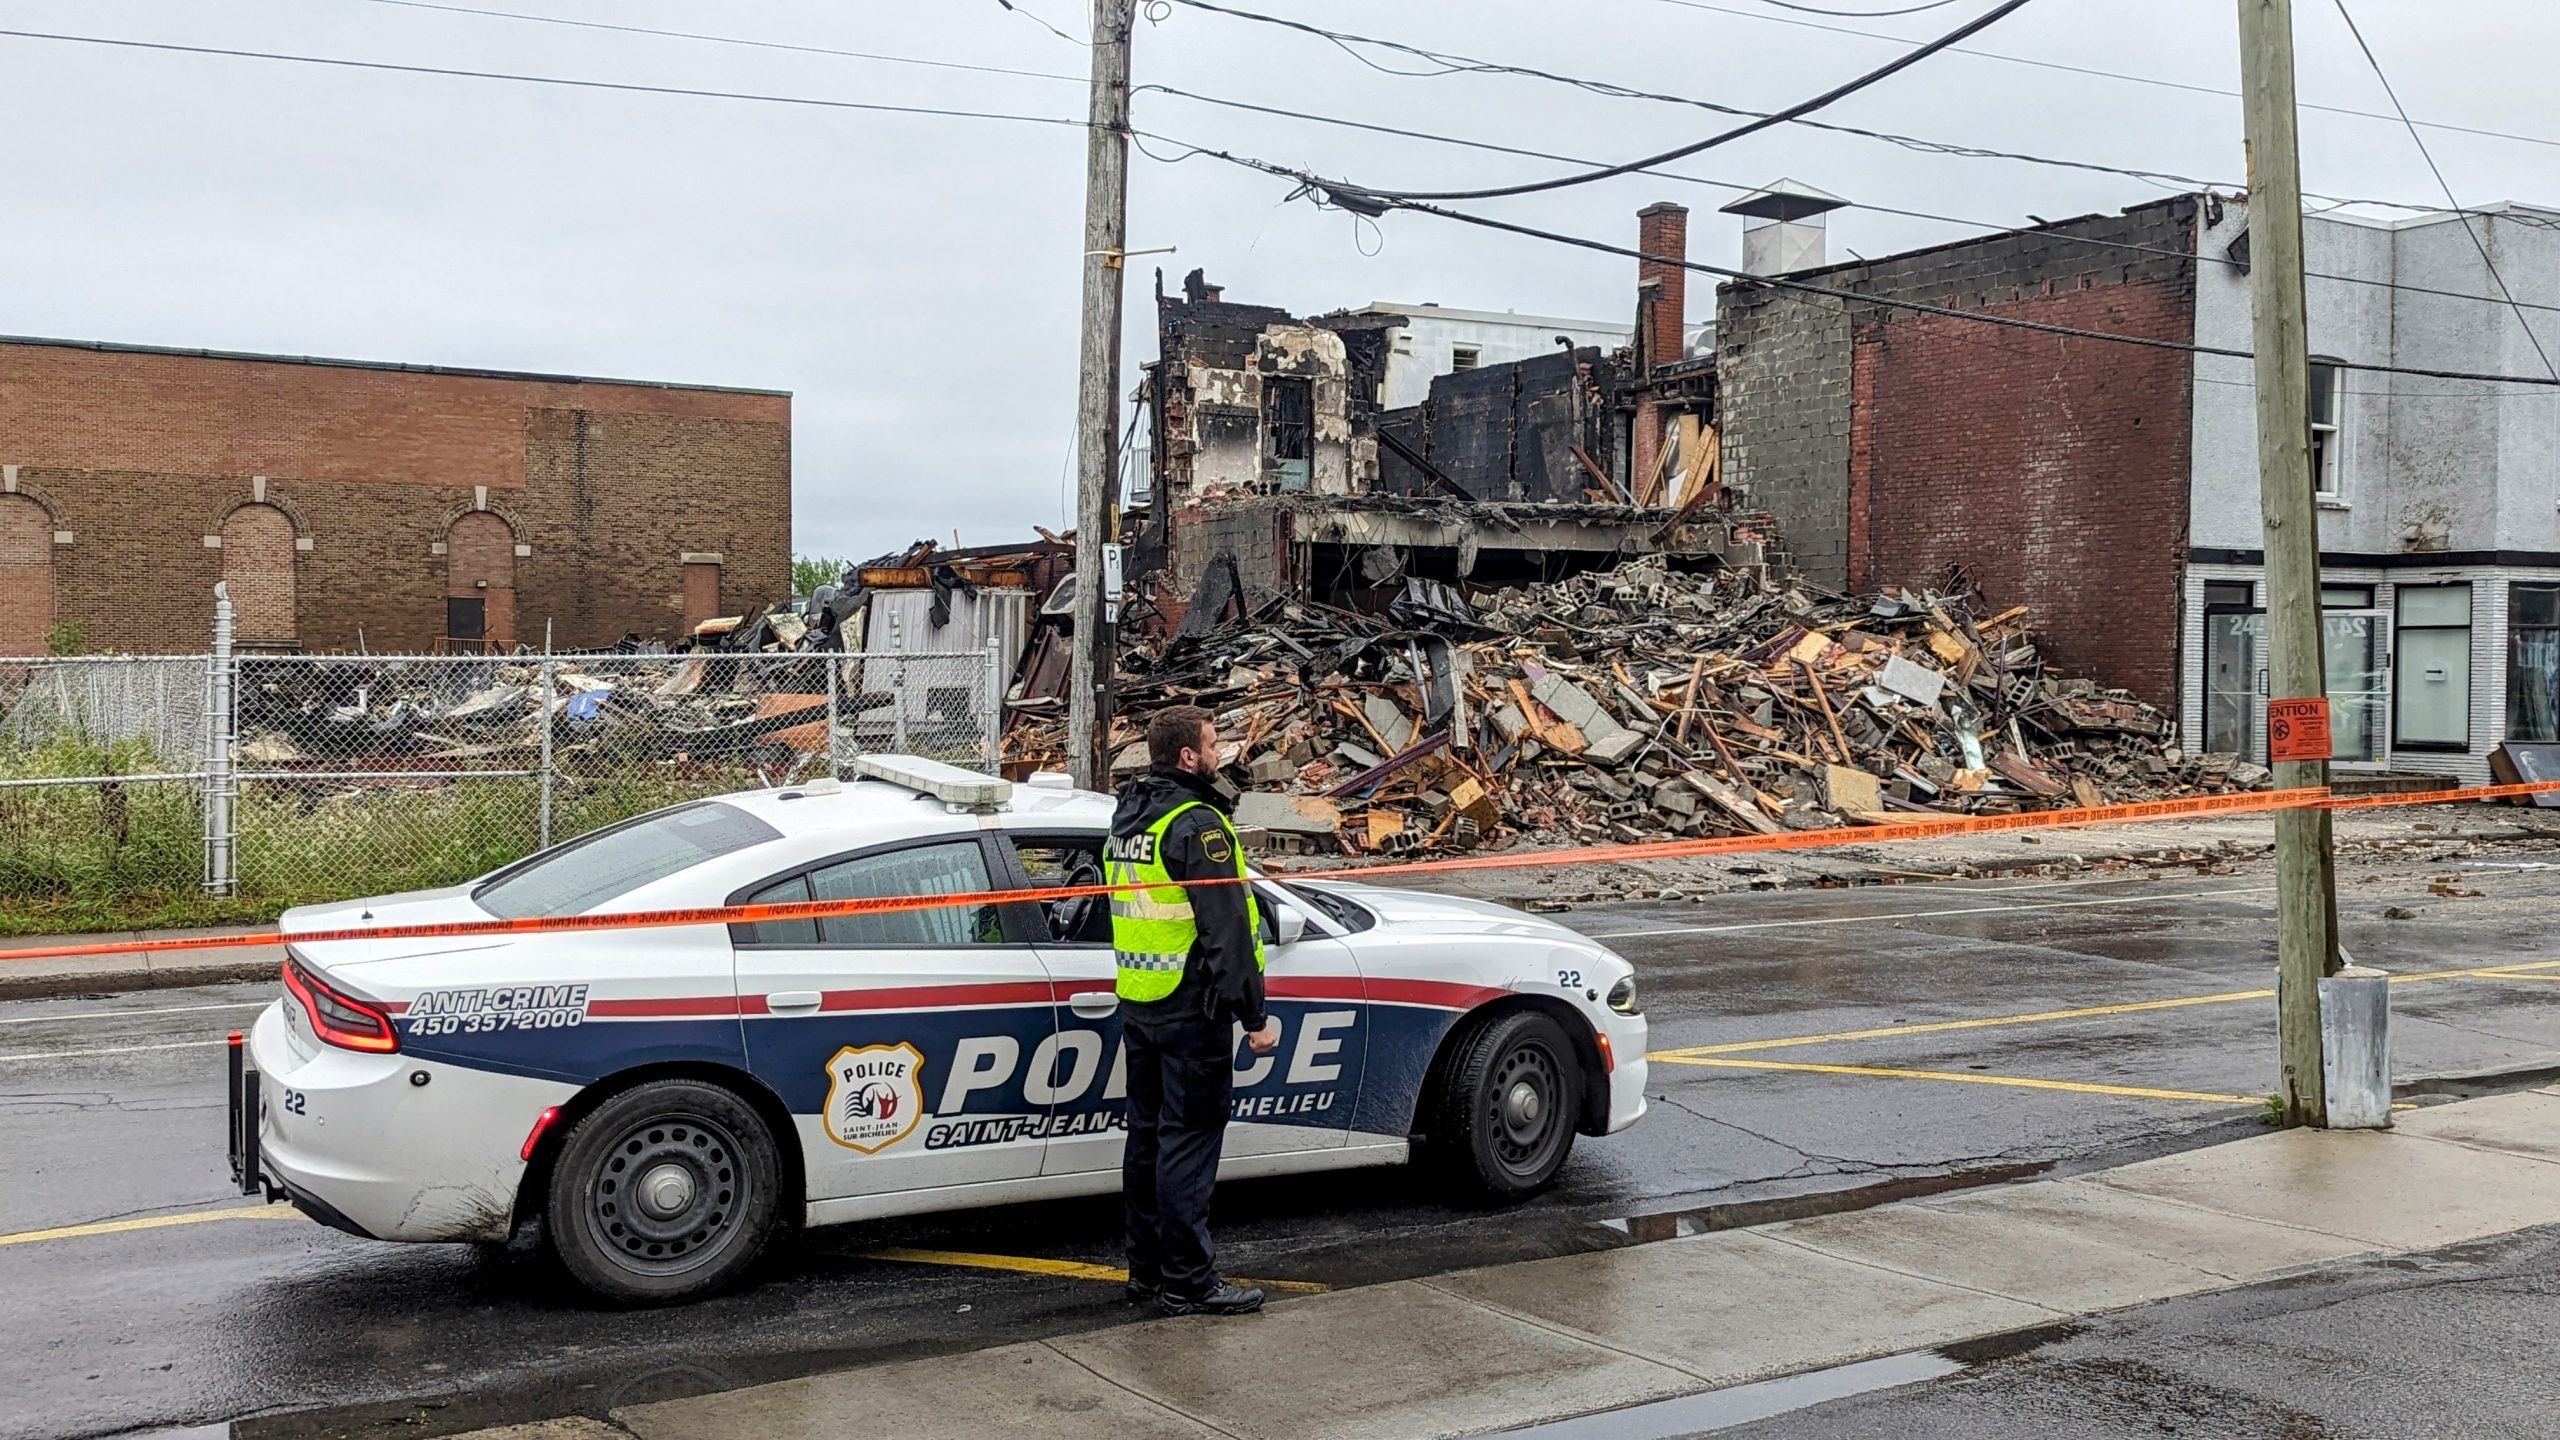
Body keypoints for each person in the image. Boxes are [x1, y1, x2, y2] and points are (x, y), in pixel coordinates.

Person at [1105, 704, 1280, 1317]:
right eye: (1213, 743)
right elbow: (1227, 931)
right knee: (1188, 1144)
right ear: (1188, 757)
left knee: (1147, 1141)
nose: (1221, 751)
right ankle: (1189, 1282)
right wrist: (1254, 1018)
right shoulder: (1196, 825)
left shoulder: (1130, 816)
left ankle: (1147, 1273)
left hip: (1140, 1002)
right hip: (1189, 1009)